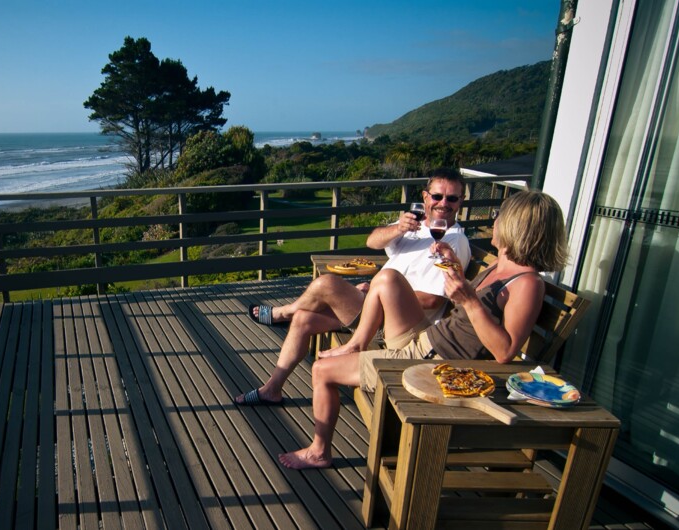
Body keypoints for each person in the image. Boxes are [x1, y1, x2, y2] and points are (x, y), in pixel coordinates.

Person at [277, 190, 568, 469]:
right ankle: (356, 344)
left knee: (322, 371)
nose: (494, 221)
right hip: (429, 338)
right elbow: (466, 318)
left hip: (433, 361)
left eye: (499, 216)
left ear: (517, 227)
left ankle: (319, 452)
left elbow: (504, 351)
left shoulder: (527, 284)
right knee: (388, 277)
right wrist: (454, 270)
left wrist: (468, 299)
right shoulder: (499, 267)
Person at [235, 168, 470, 406]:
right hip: (376, 313)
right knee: (304, 319)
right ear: (425, 197)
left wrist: (377, 295)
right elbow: (372, 241)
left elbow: (433, 300)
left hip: (402, 327)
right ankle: (271, 389)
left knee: (327, 284)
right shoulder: (414, 227)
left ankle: (283, 312)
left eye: (452, 198)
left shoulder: (453, 240)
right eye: (438, 196)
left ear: (461, 201)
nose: (443, 203)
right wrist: (398, 228)